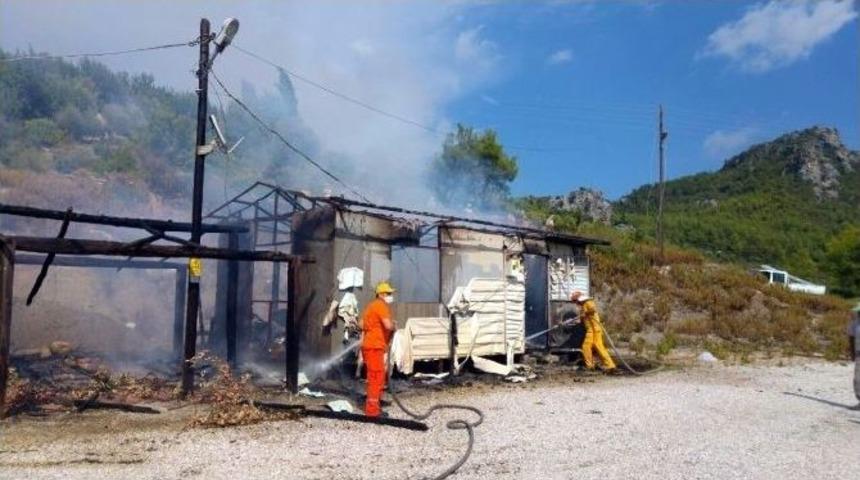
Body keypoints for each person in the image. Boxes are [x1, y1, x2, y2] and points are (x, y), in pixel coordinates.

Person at [360, 281, 397, 417]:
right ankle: (372, 411)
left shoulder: (371, 306)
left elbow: (361, 324)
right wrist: (393, 326)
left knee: (377, 377)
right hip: (374, 346)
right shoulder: (381, 306)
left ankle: (375, 404)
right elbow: (387, 326)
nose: (390, 296)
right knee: (376, 378)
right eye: (388, 293)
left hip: (371, 346)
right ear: (381, 294)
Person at [570, 290, 617, 373]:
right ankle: (592, 366)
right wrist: (572, 321)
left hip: (595, 329)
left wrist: (586, 313)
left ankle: (609, 365)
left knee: (597, 346)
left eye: (575, 301)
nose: (575, 303)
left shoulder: (588, 302)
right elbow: (582, 320)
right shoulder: (583, 306)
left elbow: (593, 309)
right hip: (590, 330)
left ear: (579, 299)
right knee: (586, 347)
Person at [849, 303, 860, 408]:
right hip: (859, 354)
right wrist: (852, 353)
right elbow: (851, 338)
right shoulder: (854, 323)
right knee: (857, 378)